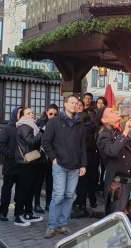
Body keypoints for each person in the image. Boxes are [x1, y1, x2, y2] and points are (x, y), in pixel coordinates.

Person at [42, 95, 87, 238]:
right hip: (60, 164)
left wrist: (83, 164)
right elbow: (45, 142)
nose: (74, 105)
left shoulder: (79, 124)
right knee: (58, 195)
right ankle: (51, 225)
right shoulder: (55, 122)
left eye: (76, 103)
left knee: (69, 196)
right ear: (65, 104)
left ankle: (63, 224)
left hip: (75, 165)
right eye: (72, 103)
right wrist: (53, 158)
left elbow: (83, 146)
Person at [96, 107, 131, 215]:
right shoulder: (103, 136)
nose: (116, 111)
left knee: (122, 217)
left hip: (127, 181)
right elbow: (112, 151)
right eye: (111, 112)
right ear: (104, 120)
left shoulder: (117, 132)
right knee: (115, 217)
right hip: (117, 184)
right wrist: (125, 132)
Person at [14, 108, 44, 227]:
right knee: (24, 190)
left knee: (31, 189)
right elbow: (31, 142)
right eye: (28, 113)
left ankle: (28, 213)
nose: (32, 114)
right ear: (22, 116)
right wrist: (42, 132)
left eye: (32, 113)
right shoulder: (24, 126)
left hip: (33, 162)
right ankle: (18, 215)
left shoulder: (32, 125)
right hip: (25, 162)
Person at [71, 113, 100, 219]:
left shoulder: (83, 130)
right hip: (92, 159)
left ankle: (82, 208)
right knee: (91, 183)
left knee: (82, 184)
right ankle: (93, 202)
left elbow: (83, 145)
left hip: (84, 159)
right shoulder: (92, 129)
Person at [0, 107, 23, 221]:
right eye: (20, 114)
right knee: (7, 189)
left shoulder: (25, 128)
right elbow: (0, 144)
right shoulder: (7, 128)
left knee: (20, 191)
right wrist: (11, 155)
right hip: (10, 165)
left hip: (22, 165)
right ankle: (3, 211)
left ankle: (18, 213)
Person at [33, 104, 59, 213]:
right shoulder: (39, 123)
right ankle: (37, 204)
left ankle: (48, 203)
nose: (52, 116)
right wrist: (42, 130)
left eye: (55, 114)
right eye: (50, 114)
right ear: (46, 113)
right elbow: (35, 139)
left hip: (53, 156)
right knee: (38, 181)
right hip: (40, 156)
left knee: (50, 181)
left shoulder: (59, 123)